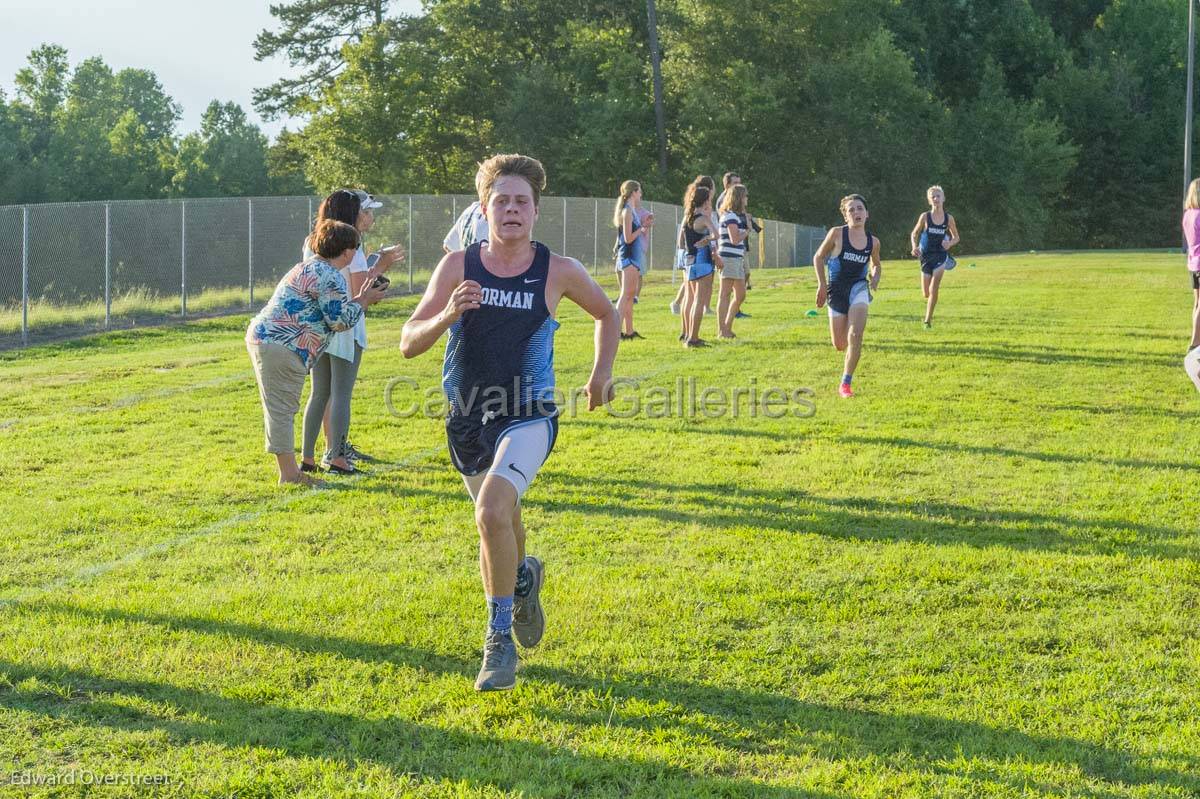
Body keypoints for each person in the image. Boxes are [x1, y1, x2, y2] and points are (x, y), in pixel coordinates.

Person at [400, 153, 619, 692]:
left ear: (536, 211)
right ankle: (523, 578)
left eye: (523, 201)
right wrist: (449, 313)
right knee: (504, 520)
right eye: (502, 201)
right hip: (466, 420)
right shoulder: (457, 267)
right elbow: (407, 342)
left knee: (491, 508)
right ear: (484, 209)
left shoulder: (558, 269)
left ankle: (497, 643)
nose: (512, 210)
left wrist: (599, 376)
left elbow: (607, 313)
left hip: (528, 416)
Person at [246, 220, 389, 485]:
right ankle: (290, 475)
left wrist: (360, 298)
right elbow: (339, 321)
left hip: (269, 339)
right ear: (346, 251)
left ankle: (292, 471)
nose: (356, 253)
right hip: (282, 345)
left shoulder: (309, 266)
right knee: (282, 409)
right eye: (355, 248)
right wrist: (365, 300)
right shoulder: (330, 275)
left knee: (279, 407)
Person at [299, 189, 405, 475]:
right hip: (345, 325)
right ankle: (337, 459)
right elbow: (360, 292)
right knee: (341, 393)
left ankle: (308, 459)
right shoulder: (352, 247)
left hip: (320, 323)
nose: (370, 217)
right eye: (366, 211)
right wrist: (380, 266)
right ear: (351, 215)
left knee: (319, 393)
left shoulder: (312, 242)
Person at [813, 194, 881, 398]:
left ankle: (846, 383)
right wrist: (821, 285)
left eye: (860, 208)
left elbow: (876, 263)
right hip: (836, 291)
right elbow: (818, 257)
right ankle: (846, 373)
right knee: (840, 344)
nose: (856, 213)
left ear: (867, 214)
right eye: (851, 210)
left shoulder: (873, 242)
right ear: (845, 216)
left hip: (859, 289)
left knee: (855, 336)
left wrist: (875, 276)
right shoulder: (836, 234)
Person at [909, 185, 960, 328]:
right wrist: (914, 247)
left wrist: (949, 243)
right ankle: (928, 314)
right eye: (933, 197)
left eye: (938, 196)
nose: (936, 198)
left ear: (943, 198)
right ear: (929, 201)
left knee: (934, 289)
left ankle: (927, 321)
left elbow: (957, 237)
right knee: (926, 293)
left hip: (940, 256)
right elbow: (914, 233)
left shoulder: (949, 219)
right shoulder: (925, 217)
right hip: (925, 257)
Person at [670, 175, 720, 317]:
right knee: (693, 292)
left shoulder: (697, 211)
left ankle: (702, 311)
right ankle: (690, 327)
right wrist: (707, 240)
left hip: (696, 254)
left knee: (696, 289)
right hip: (697, 255)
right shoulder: (699, 214)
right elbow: (685, 233)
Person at [613, 180, 654, 340]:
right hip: (629, 257)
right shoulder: (627, 212)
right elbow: (628, 238)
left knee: (630, 295)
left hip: (634, 257)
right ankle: (615, 331)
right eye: (639, 191)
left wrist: (643, 224)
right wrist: (642, 229)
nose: (641, 194)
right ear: (633, 192)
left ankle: (629, 332)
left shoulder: (632, 211)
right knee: (625, 295)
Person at [681, 185, 720, 347]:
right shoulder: (703, 218)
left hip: (690, 262)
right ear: (705, 201)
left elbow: (683, 242)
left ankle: (690, 335)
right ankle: (693, 338)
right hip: (702, 262)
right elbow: (716, 234)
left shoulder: (687, 217)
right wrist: (708, 240)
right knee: (699, 301)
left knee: (693, 300)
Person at [716, 184, 751, 338]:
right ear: (739, 198)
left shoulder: (734, 216)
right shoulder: (730, 216)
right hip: (728, 258)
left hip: (736, 258)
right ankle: (722, 330)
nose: (747, 199)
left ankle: (727, 326)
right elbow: (735, 239)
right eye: (745, 196)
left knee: (741, 294)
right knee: (725, 294)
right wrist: (747, 231)